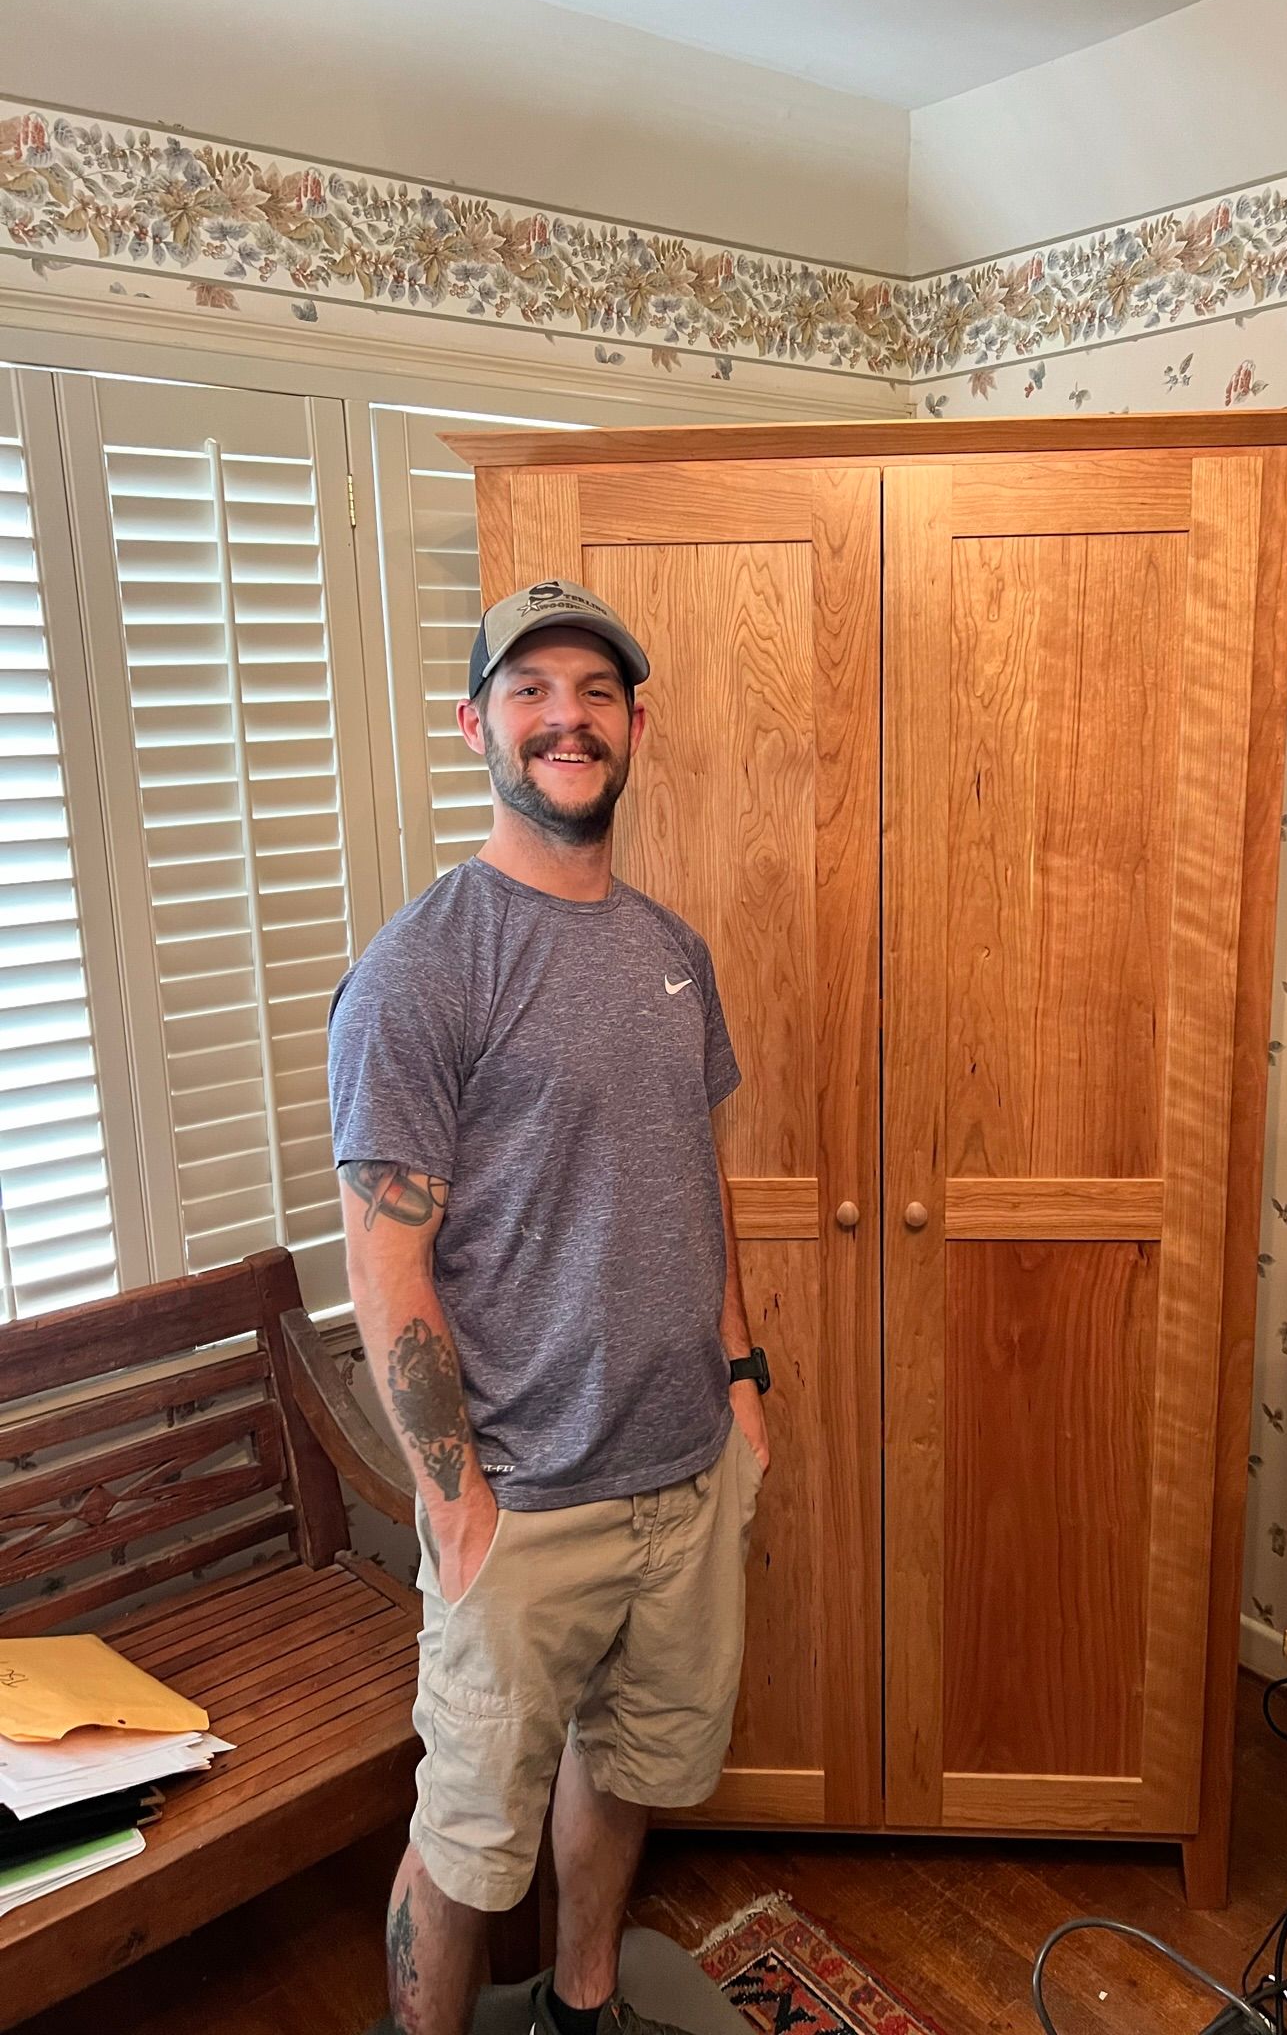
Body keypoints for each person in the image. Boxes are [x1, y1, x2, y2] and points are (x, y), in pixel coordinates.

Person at [327, 580, 771, 2035]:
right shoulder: (423, 970)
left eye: (593, 691)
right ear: (477, 727)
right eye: (530, 691)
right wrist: (455, 1509)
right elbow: (387, 1263)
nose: (564, 717)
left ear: (636, 724)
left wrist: (747, 1389)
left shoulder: (671, 949)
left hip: (684, 1473)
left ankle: (585, 2009)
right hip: (521, 1504)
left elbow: (696, 1181)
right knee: (462, 1844)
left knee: (630, 1769)